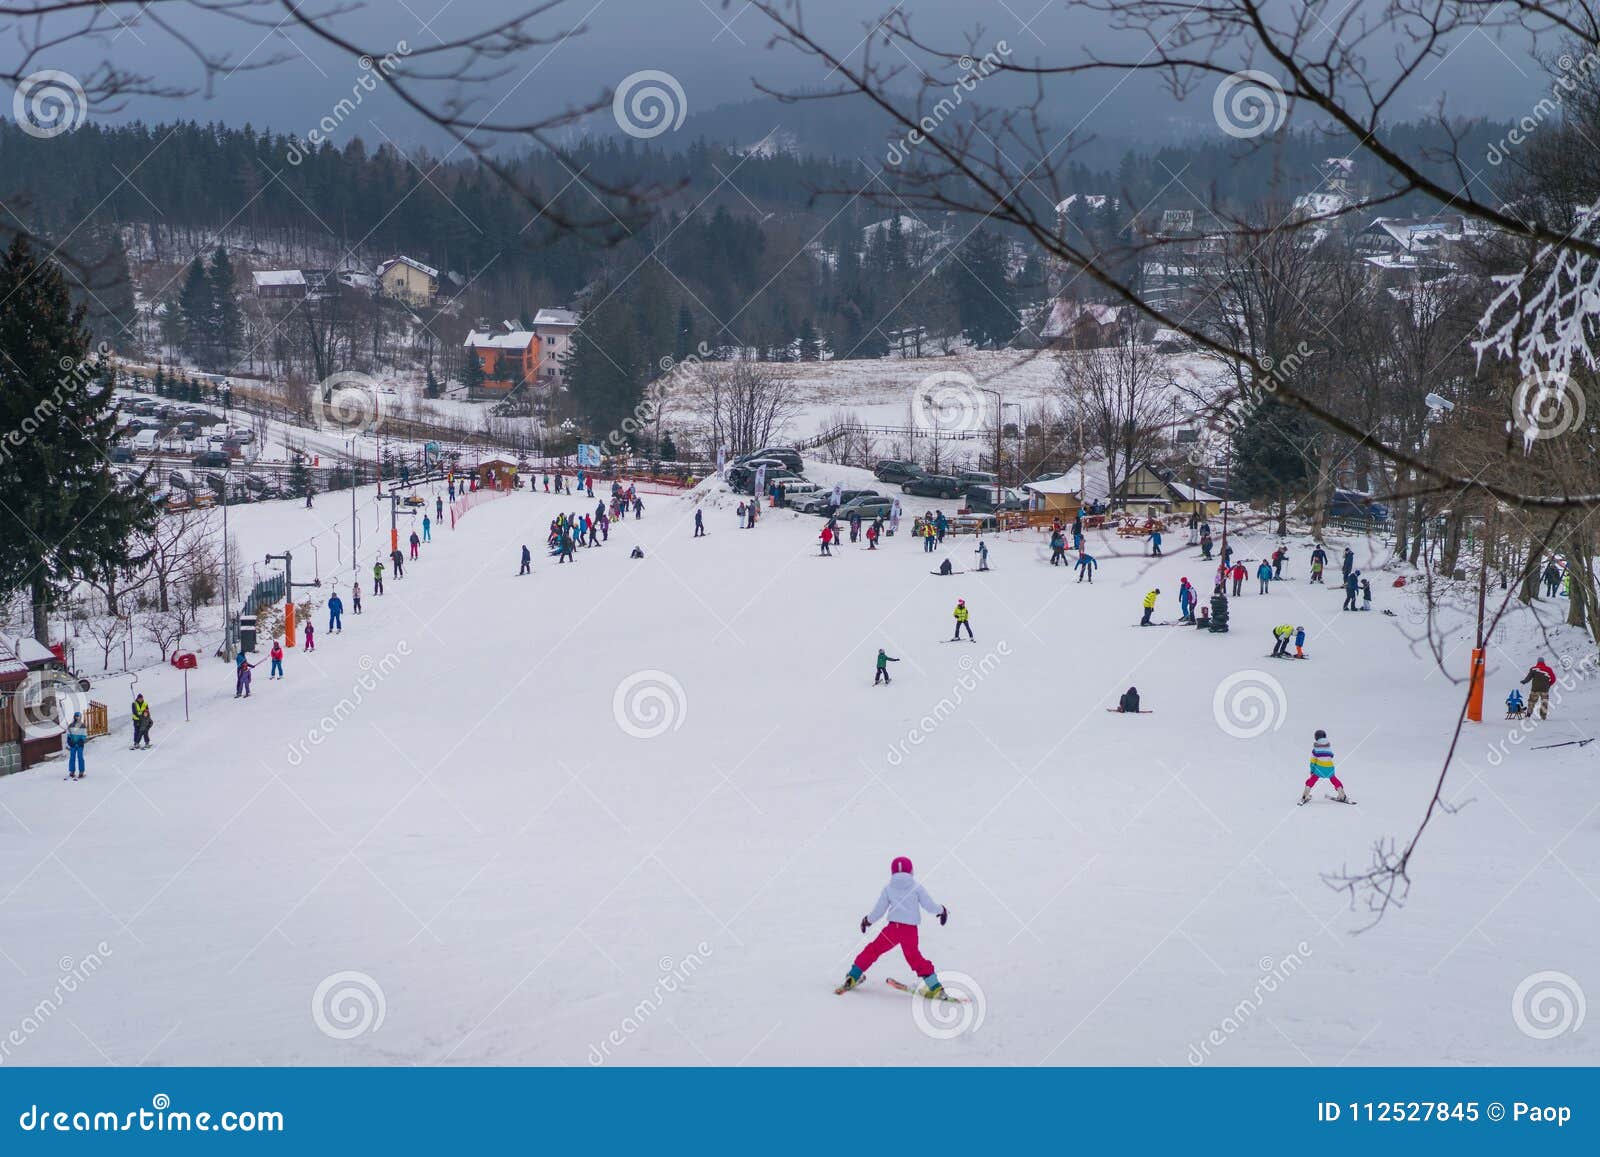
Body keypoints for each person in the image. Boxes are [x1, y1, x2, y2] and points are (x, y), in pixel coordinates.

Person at [837, 856, 948, 998]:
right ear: (911, 871)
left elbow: (879, 910)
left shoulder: (889, 888)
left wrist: (868, 920)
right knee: (914, 957)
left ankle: (853, 976)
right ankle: (935, 987)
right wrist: (942, 910)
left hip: (892, 930)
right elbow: (930, 906)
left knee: (873, 950)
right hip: (910, 931)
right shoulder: (916, 887)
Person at [1301, 729, 1349, 804]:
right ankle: (1342, 795)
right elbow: (1331, 755)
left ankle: (1305, 795)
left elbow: (1313, 761)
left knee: (1312, 780)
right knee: (1334, 780)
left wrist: (1312, 770)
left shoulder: (1315, 749)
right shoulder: (1328, 747)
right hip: (1330, 768)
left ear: (1316, 738)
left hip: (1319, 769)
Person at [65, 712, 88, 779]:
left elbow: (84, 735)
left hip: (79, 745)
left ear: (80, 717)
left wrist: (80, 741)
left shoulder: (83, 726)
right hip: (73, 745)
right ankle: (72, 771)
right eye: (76, 716)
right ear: (74, 717)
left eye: (78, 717)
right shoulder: (71, 726)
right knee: (72, 758)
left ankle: (81, 771)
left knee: (80, 757)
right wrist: (70, 741)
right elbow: (68, 735)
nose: (77, 718)